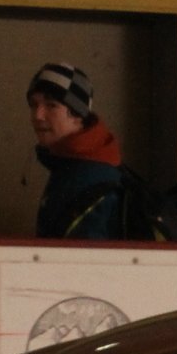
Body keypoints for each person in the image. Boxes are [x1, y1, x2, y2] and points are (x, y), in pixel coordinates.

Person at [28, 62, 124, 239]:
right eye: (34, 105)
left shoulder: (89, 178)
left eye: (51, 105)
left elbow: (83, 255)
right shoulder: (71, 165)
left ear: (78, 115)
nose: (38, 115)